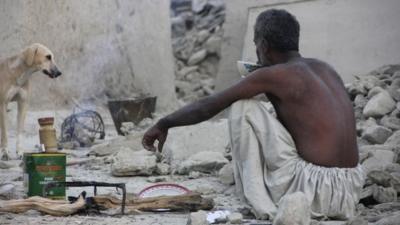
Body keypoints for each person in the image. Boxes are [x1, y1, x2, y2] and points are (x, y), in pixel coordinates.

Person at [142, 9, 365, 220]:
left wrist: (164, 123)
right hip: (348, 192)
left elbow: (208, 106)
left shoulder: (273, 75)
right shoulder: (325, 68)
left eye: (256, 45)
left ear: (264, 46)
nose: (257, 52)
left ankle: (262, 205)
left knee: (243, 107)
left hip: (311, 194)